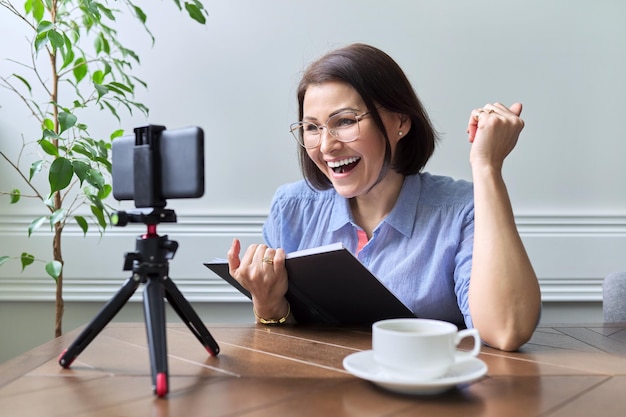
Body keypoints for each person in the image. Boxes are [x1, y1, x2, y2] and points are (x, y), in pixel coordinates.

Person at [227, 43, 541, 351]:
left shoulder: (460, 211)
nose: (325, 146)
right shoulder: (292, 209)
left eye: (345, 121)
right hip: (320, 399)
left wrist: (486, 165)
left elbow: (506, 330)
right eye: (312, 127)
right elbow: (284, 351)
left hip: (429, 396)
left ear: (401, 122)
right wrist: (268, 306)